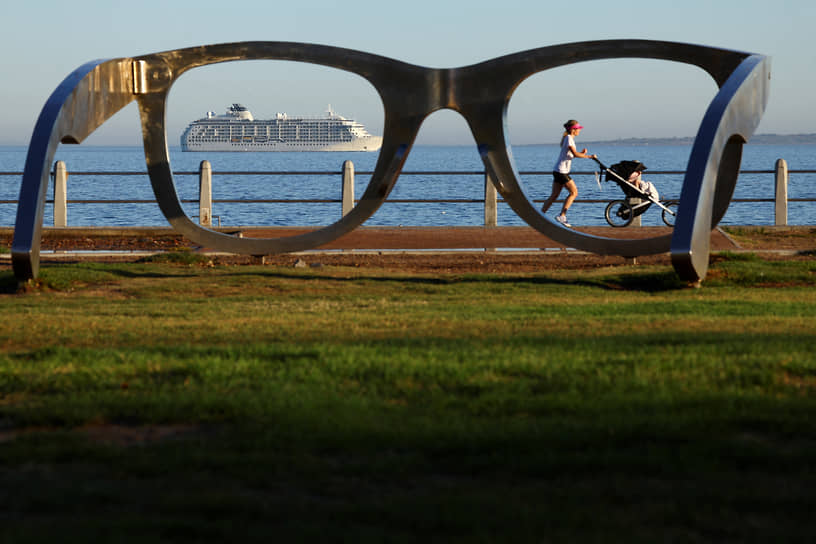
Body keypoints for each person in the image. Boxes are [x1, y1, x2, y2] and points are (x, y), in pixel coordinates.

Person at [540, 119, 596, 227]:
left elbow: (571, 154)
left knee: (554, 196)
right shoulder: (569, 138)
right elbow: (574, 154)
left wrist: (582, 153)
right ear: (573, 130)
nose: (579, 131)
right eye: (578, 129)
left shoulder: (568, 139)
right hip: (561, 172)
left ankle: (539, 216)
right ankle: (562, 215)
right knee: (574, 192)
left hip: (558, 171)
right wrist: (589, 156)